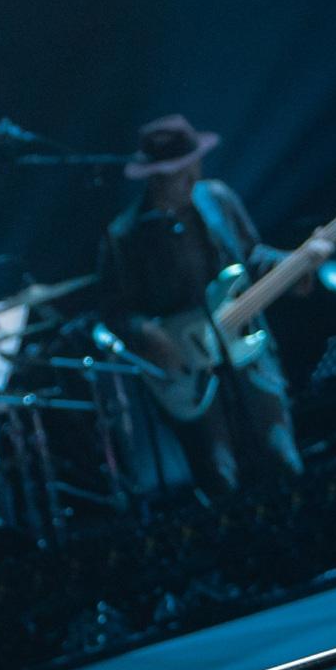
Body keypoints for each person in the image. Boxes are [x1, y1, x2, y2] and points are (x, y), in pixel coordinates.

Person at [95, 114, 301, 494]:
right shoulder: (124, 234)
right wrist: (150, 333)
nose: (192, 176)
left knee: (281, 452)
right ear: (156, 177)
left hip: (248, 349)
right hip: (188, 370)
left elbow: (251, 255)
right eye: (179, 171)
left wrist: (294, 264)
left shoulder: (217, 199)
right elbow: (113, 311)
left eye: (193, 165)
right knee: (218, 472)